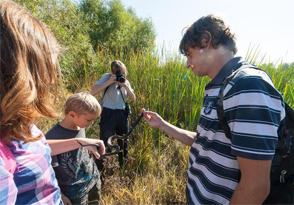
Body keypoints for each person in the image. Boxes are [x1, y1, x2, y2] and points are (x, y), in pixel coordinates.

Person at [141, 14, 285, 204]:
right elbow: (205, 143)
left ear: (205, 40)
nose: (187, 64)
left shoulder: (248, 85)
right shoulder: (217, 87)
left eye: (189, 54)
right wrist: (162, 124)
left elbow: (256, 186)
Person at [0, 1, 105, 205]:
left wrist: (83, 141)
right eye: (43, 71)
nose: (51, 81)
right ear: (16, 76)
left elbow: (39, 146)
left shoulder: (20, 126)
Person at [46, 92, 103, 205]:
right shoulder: (52, 138)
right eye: (88, 120)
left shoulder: (80, 126)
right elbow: (48, 173)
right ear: (72, 114)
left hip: (92, 181)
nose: (91, 124)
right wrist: (60, 195)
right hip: (73, 193)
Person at [91, 60, 136, 168]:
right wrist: (109, 82)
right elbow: (93, 92)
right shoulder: (107, 77)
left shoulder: (126, 82)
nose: (121, 75)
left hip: (121, 114)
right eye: (119, 73)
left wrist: (125, 85)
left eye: (123, 72)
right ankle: (102, 168)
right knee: (104, 142)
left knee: (123, 141)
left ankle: (123, 166)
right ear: (113, 72)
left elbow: (133, 99)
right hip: (108, 112)